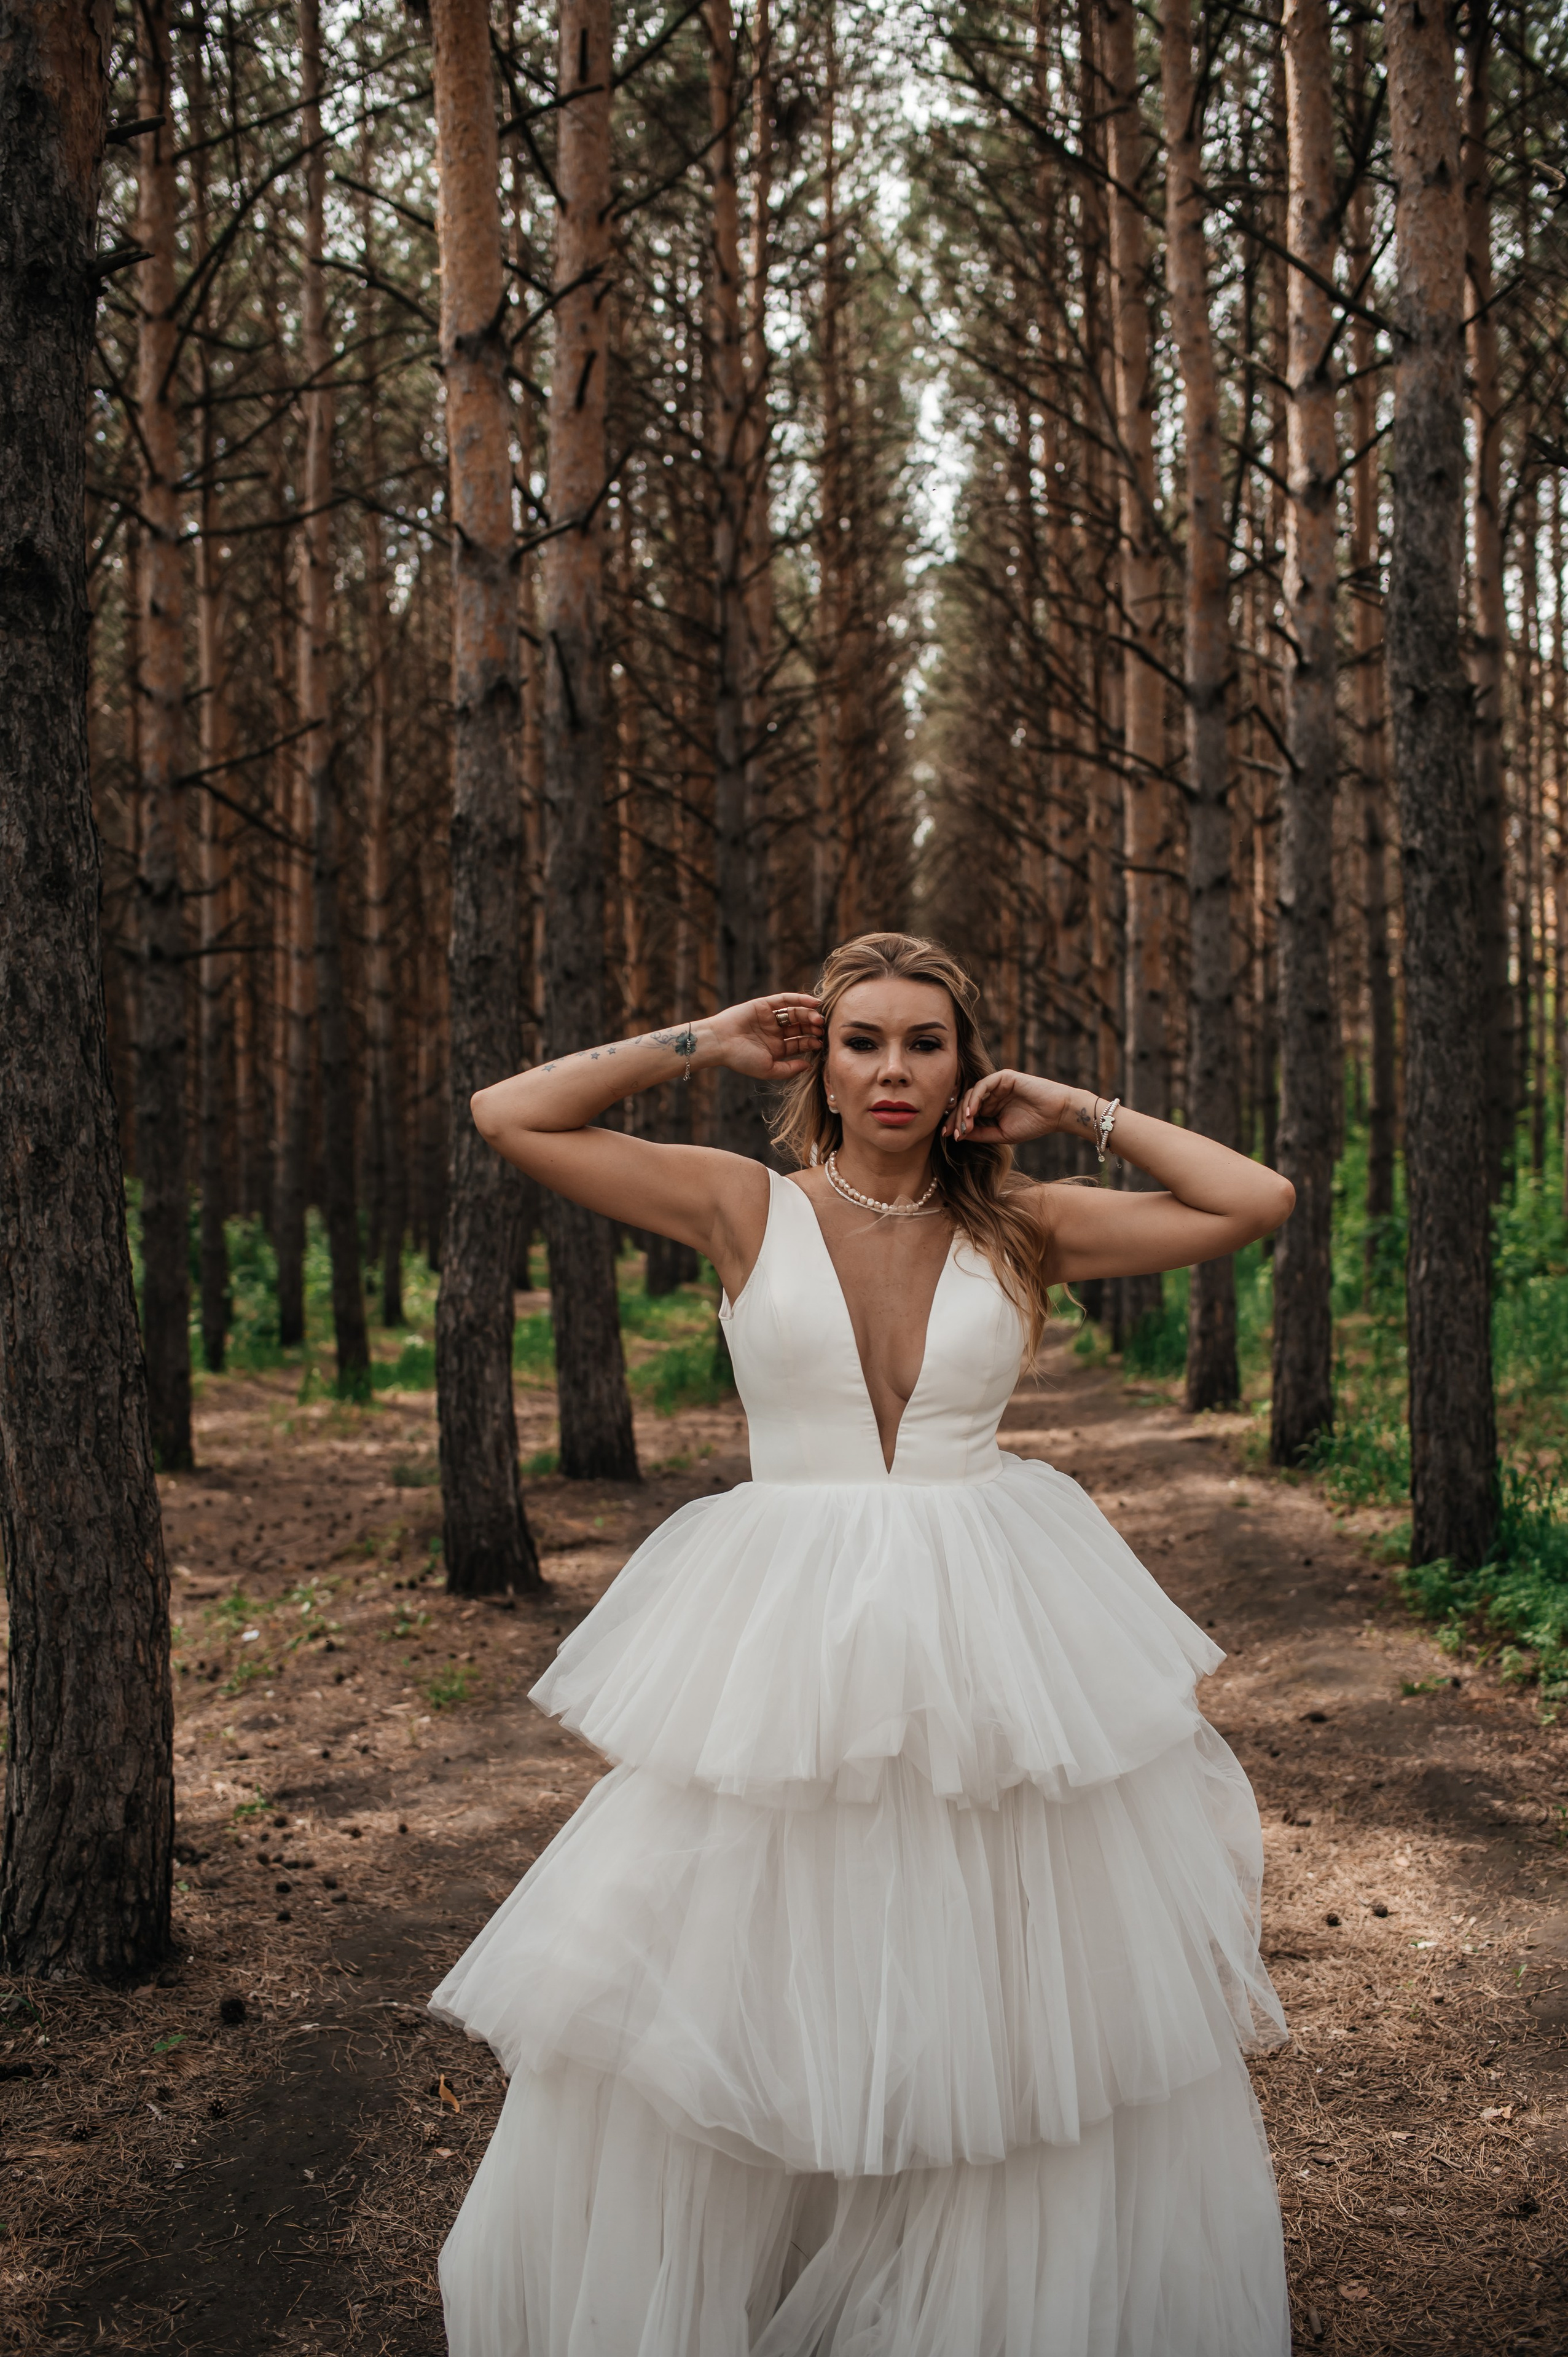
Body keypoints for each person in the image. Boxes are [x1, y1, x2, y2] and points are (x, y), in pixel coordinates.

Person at [430, 931, 1295, 2356]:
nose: (892, 1069)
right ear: (816, 1063)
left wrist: (1071, 1106)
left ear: (965, 1065)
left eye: (925, 1043)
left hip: (986, 1632)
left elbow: (1252, 1198)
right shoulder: (739, 1205)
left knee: (998, 1986)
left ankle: (974, 2307)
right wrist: (700, 1038)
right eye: (861, 1041)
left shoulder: (1024, 1220)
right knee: (750, 1957)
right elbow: (509, 1114)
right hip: (787, 1635)